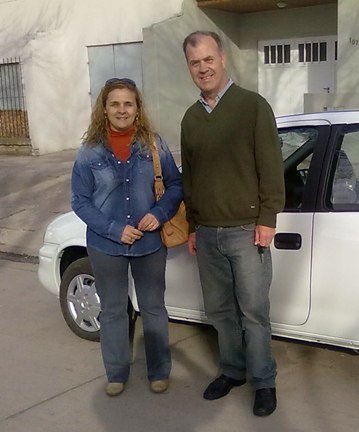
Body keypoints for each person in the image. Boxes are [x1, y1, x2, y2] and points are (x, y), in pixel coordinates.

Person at [180, 31, 285, 417]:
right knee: (220, 311)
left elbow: (271, 166)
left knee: (253, 312)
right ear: (189, 67)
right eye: (195, 63)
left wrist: (268, 218)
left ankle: (264, 381)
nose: (203, 68)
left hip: (246, 231)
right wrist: (192, 225)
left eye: (208, 59)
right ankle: (232, 371)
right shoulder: (191, 118)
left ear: (222, 59)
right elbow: (190, 177)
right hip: (207, 233)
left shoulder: (252, 106)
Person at [71, 78, 183, 397]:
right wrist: (114, 229)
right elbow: (80, 201)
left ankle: (158, 371)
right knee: (113, 310)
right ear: (104, 109)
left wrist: (159, 213)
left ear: (137, 108)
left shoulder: (153, 145)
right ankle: (117, 372)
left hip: (149, 244)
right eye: (115, 104)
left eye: (128, 104)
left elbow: (176, 185)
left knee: (153, 308)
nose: (122, 110)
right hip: (106, 245)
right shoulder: (89, 152)